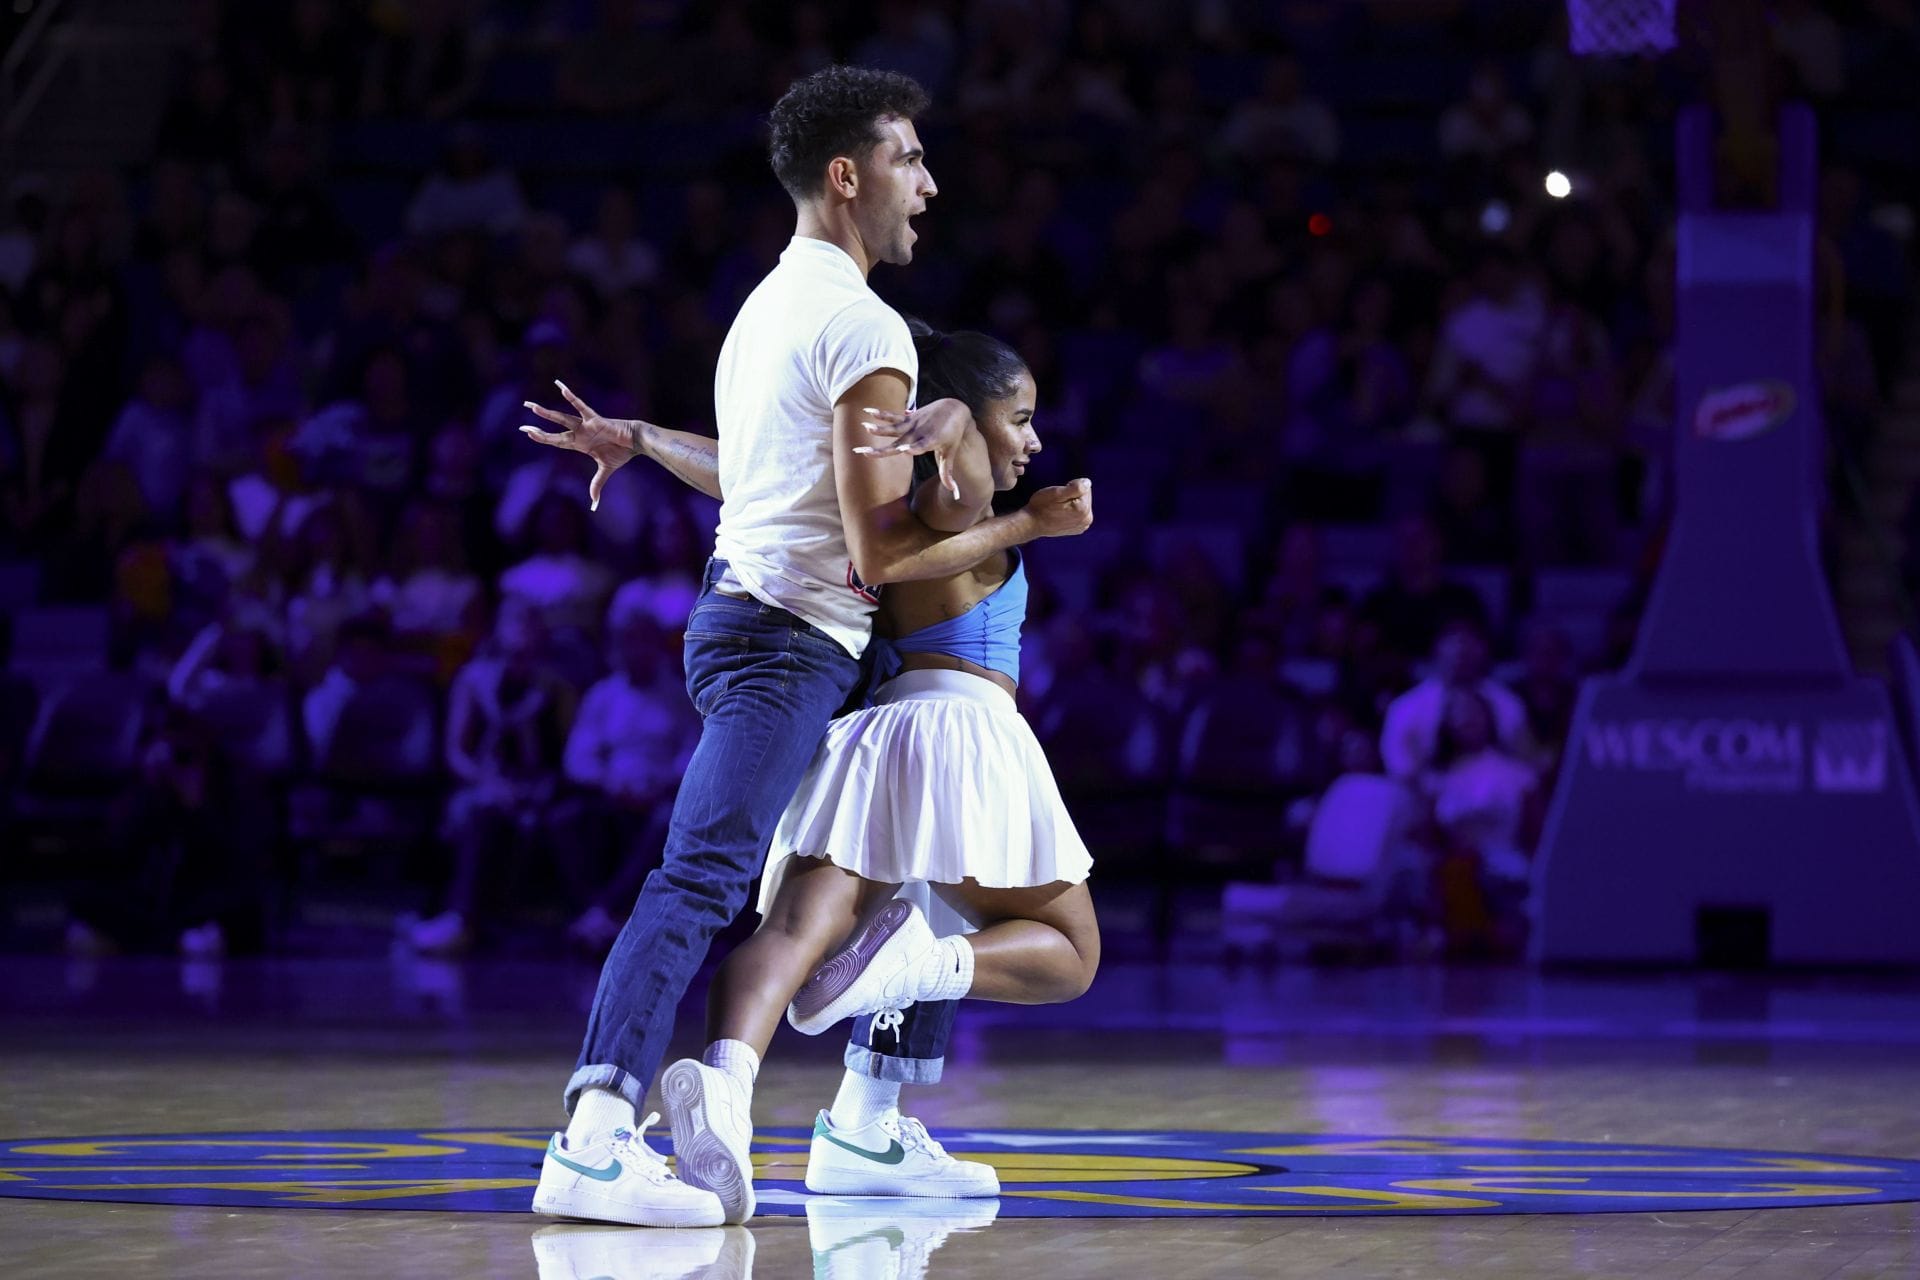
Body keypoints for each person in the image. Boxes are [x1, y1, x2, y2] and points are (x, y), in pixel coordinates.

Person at [516, 65, 1092, 1228]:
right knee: (702, 877)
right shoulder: (865, 326)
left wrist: (643, 436)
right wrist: (1027, 523)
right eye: (908, 158)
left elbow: (763, 477)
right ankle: (594, 1135)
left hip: (761, 626)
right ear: (847, 175)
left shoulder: (766, 308)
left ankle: (863, 1123)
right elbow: (882, 552)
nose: (927, 184)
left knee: (902, 858)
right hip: (789, 642)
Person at [662, 323, 1099, 1217]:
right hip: (962, 734)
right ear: (963, 416)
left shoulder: (859, 500)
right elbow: (963, 483)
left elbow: (746, 476)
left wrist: (640, 437)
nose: (1033, 441)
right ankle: (909, 971)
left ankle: (740, 1098)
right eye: (1019, 418)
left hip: (871, 741)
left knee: (792, 933)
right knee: (1069, 956)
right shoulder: (959, 498)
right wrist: (974, 452)